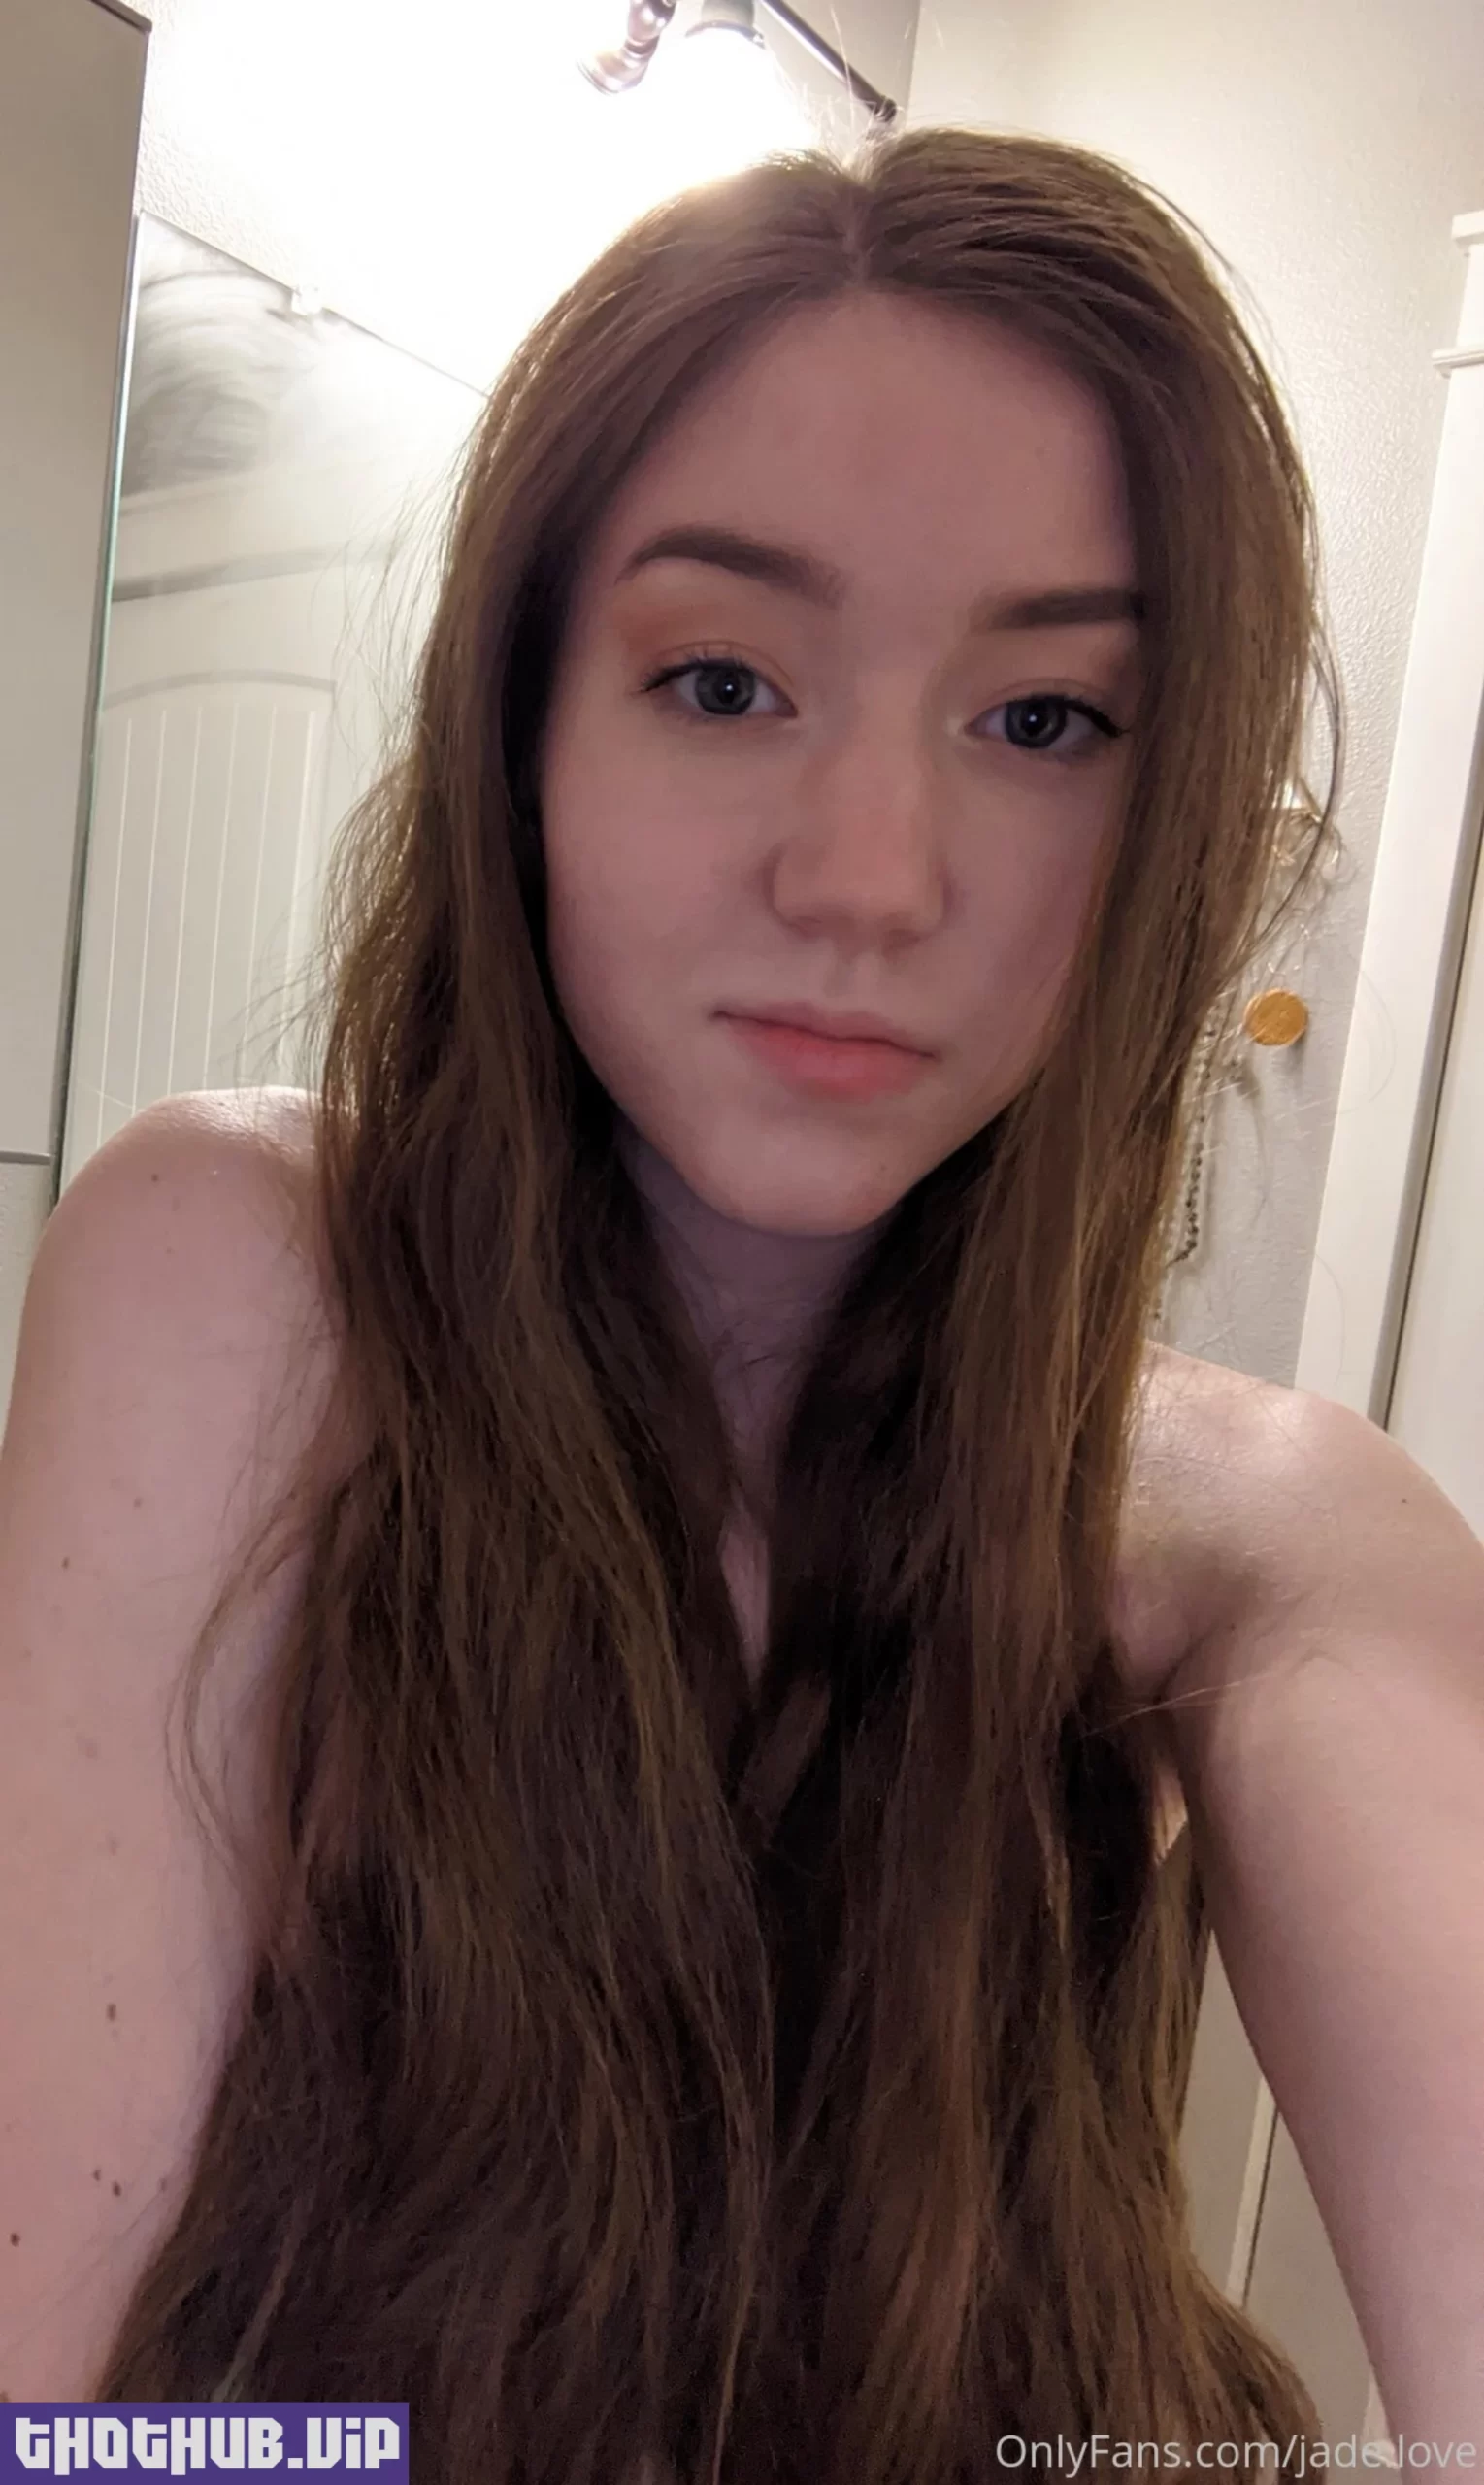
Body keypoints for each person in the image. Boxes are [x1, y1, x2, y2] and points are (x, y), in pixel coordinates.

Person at [3, 120, 1483, 2485]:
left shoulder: (1268, 1535)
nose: (868, 878)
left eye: (1043, 719)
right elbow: (57, 2416)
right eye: (718, 678)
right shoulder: (245, 1270)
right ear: (519, 740)